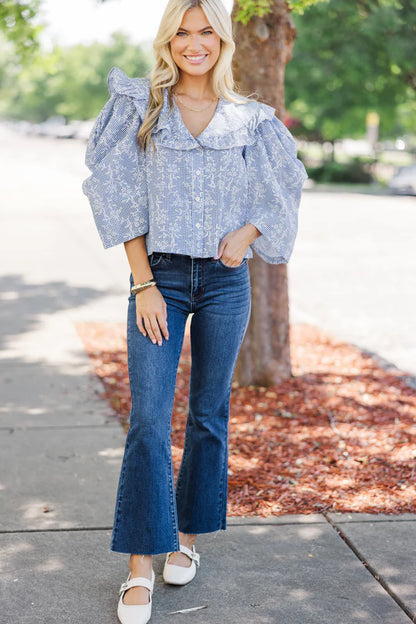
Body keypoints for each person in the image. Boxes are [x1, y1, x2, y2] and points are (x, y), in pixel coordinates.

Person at [82, 1, 308, 622]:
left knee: (209, 413)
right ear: (167, 42)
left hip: (225, 282)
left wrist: (249, 232)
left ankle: (186, 540)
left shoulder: (252, 120)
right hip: (161, 281)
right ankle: (138, 567)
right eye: (182, 32)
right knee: (149, 421)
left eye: (206, 30)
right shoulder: (142, 108)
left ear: (223, 40)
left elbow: (285, 184)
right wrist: (143, 284)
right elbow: (120, 194)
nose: (194, 42)